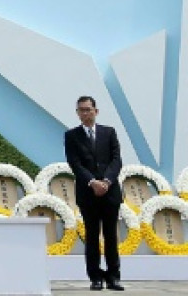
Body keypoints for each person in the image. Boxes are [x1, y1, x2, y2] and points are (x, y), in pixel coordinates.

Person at [65, 96, 124, 291]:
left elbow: (116, 160)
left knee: (110, 235)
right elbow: (75, 164)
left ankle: (113, 277)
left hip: (110, 193)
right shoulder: (71, 136)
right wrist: (92, 182)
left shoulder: (109, 132)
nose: (85, 113)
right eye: (81, 110)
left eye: (88, 109)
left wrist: (106, 181)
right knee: (92, 236)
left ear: (96, 111)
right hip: (88, 193)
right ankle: (95, 277)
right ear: (77, 113)